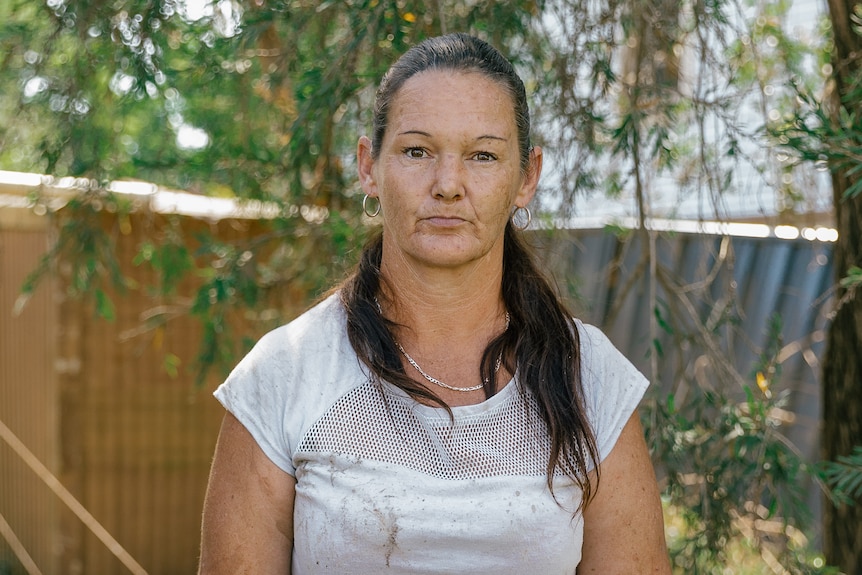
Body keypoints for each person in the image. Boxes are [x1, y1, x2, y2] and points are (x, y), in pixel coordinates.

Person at [198, 33, 670, 574]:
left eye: (483, 155)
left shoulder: (591, 378)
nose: (448, 184)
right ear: (369, 166)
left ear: (527, 177)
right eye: (417, 151)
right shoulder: (285, 375)